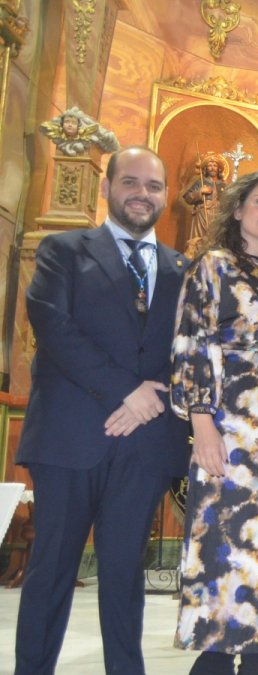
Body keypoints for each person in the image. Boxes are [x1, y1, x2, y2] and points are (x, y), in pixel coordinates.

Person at [14, 146, 190, 675]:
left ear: (166, 195)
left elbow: (192, 346)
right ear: (107, 187)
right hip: (70, 439)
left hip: (143, 446)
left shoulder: (182, 267)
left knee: (123, 573)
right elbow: (53, 328)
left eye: (154, 186)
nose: (142, 194)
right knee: (51, 571)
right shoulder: (63, 250)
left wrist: (147, 401)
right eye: (131, 182)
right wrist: (126, 393)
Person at [170, 171, 258, 675]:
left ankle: (255, 659)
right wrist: (202, 424)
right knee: (221, 550)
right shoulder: (213, 266)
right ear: (237, 209)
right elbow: (193, 344)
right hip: (228, 428)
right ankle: (212, 662)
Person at [182, 155, 227, 241]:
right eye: (210, 165)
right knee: (200, 240)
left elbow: (229, 201)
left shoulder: (223, 185)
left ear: (219, 169)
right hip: (203, 213)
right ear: (206, 168)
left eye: (215, 165)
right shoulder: (200, 182)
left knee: (215, 239)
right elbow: (187, 197)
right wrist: (200, 192)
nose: (212, 168)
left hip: (218, 215)